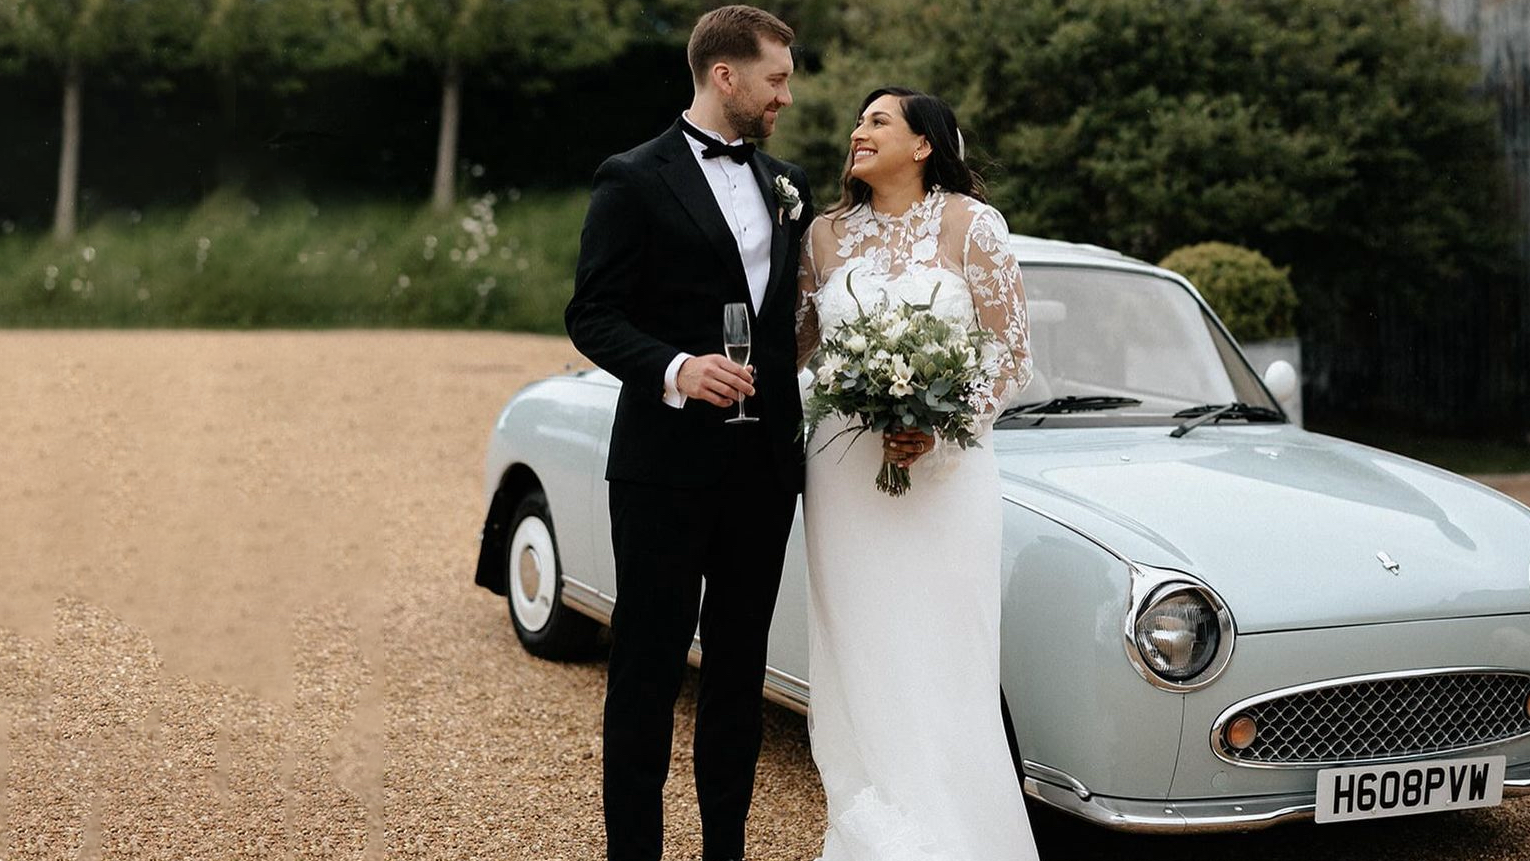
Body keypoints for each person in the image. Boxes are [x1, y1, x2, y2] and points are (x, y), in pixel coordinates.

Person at [563, 6, 814, 861]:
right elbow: (591, 313)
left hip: (763, 471)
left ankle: (725, 853)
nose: (786, 95)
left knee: (738, 675)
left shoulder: (790, 187)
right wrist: (676, 368)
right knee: (646, 671)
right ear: (726, 76)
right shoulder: (631, 179)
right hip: (662, 472)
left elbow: (792, 324)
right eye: (775, 78)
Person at [794, 86, 1041, 860]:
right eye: (859, 121)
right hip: (842, 478)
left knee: (944, 657)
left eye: (877, 121)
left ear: (924, 144)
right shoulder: (825, 236)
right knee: (857, 655)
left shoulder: (973, 226)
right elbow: (799, 350)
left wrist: (939, 425)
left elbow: (1012, 355)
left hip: (947, 480)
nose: (858, 132)